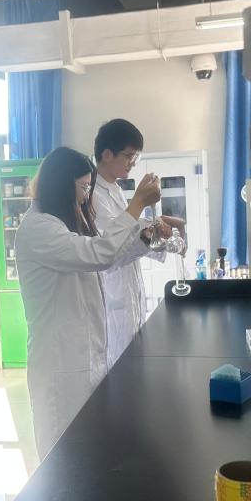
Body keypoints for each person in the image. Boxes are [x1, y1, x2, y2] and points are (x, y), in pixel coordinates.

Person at [15, 147, 161, 458]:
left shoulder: (63, 223)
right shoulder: (39, 229)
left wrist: (147, 237)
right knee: (63, 454)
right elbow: (100, 254)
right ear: (60, 185)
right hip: (62, 363)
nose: (85, 197)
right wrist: (136, 204)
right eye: (82, 188)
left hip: (86, 355)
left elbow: (110, 258)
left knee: (87, 450)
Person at [91, 119, 184, 368]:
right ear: (107, 154)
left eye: (136, 156)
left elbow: (130, 236)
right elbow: (109, 253)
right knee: (120, 372)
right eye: (129, 155)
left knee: (133, 367)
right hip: (113, 299)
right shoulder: (93, 195)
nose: (133, 162)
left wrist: (158, 233)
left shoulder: (115, 189)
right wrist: (141, 207)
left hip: (129, 296)